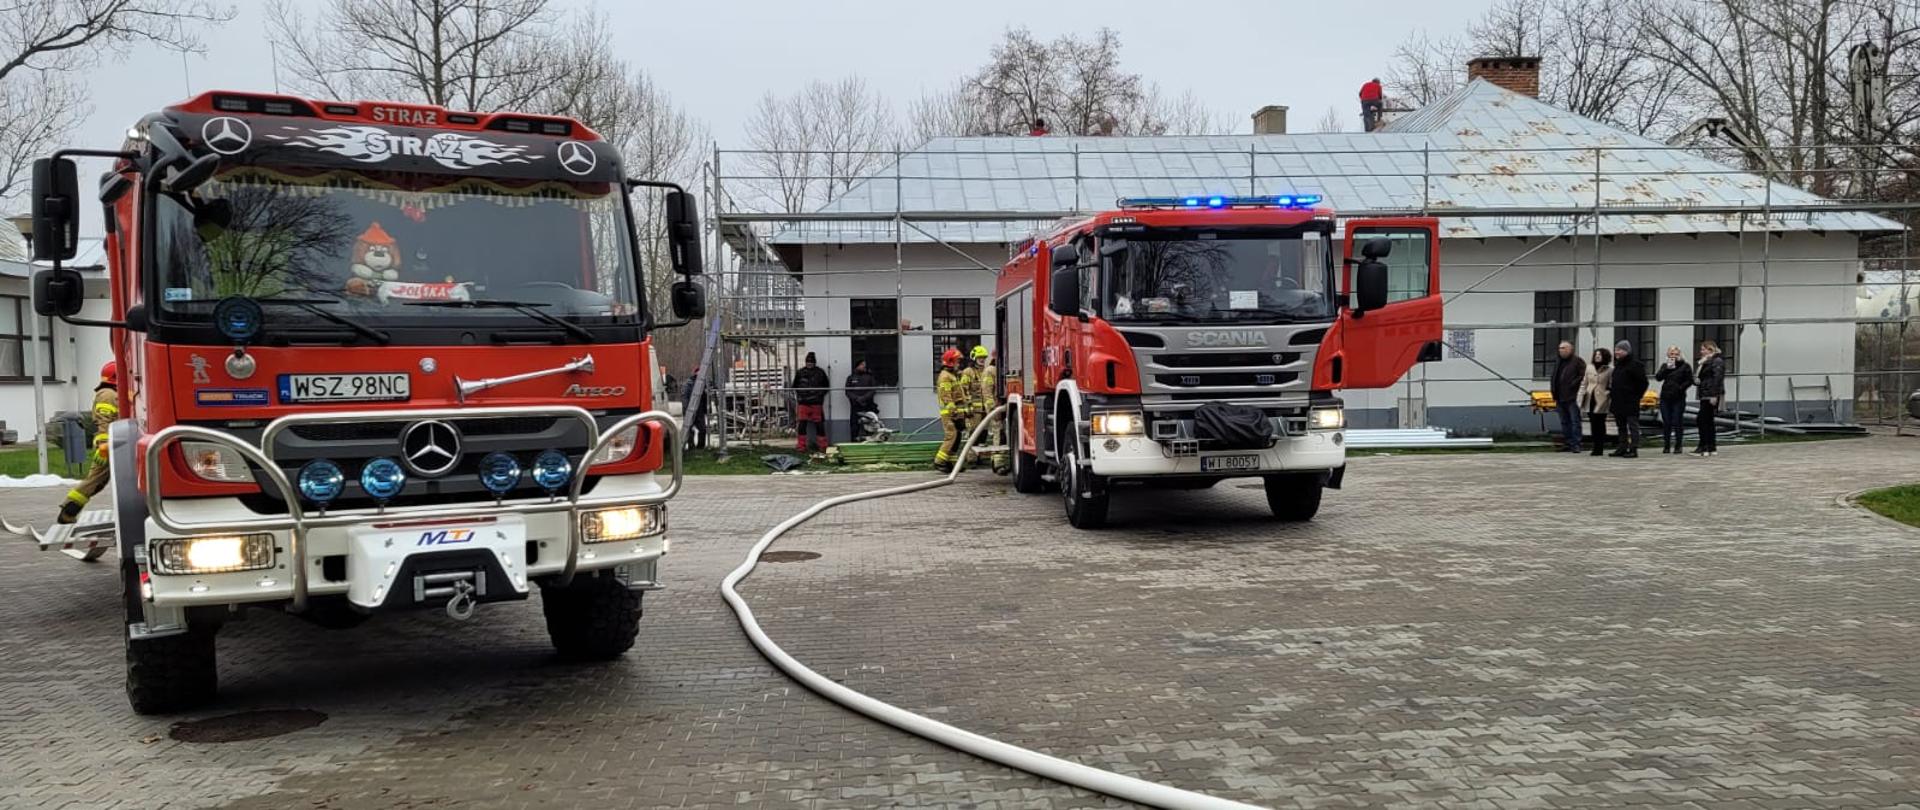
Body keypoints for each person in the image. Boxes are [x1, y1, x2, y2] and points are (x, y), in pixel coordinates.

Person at [57, 361, 119, 525]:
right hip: (108, 446)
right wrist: (104, 446)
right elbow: (104, 421)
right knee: (94, 481)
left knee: (97, 482)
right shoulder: (108, 394)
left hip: (112, 444)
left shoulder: (110, 393)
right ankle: (67, 512)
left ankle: (68, 512)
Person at [968, 345, 1008, 474]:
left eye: (983, 358)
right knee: (998, 435)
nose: (981, 360)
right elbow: (987, 392)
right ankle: (998, 463)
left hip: (1003, 408)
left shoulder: (998, 369)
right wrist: (992, 410)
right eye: (979, 358)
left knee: (1001, 435)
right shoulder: (990, 371)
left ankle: (999, 461)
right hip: (995, 409)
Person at [1608, 340, 1650, 458]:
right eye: (1616, 349)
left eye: (1619, 350)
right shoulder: (1618, 365)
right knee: (1620, 426)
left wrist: (1636, 395)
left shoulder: (1635, 364)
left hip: (1630, 401)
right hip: (1618, 400)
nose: (1617, 352)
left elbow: (1643, 383)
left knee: (1632, 425)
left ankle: (1633, 448)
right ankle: (1622, 447)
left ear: (1626, 351)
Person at [1653, 345, 1694, 454]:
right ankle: (1666, 445)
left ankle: (1678, 445)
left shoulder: (1685, 366)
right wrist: (1666, 368)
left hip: (1678, 397)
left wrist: (1681, 388)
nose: (1674, 356)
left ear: (1680, 355)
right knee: (1666, 421)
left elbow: (1690, 380)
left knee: (1677, 420)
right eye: (1672, 354)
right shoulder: (1665, 366)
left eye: (1676, 354)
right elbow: (1658, 377)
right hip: (1665, 397)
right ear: (1668, 355)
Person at [933, 348, 968, 472]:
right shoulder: (945, 377)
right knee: (951, 435)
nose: (959, 364)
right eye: (957, 361)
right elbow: (947, 396)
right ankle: (939, 461)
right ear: (951, 362)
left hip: (955, 413)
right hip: (949, 413)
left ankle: (952, 463)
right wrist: (954, 414)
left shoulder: (953, 375)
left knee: (957, 436)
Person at [1550, 340, 1586, 453]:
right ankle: (1568, 442)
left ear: (1571, 349)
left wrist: (1573, 384)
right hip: (1560, 396)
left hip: (1572, 397)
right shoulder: (1558, 361)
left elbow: (1583, 376)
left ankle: (1576, 444)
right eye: (1560, 348)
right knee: (1564, 421)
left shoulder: (1577, 361)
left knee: (1575, 421)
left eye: (1564, 348)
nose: (1561, 350)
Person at [791, 352, 830, 455]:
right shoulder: (800, 372)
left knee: (819, 425)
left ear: (814, 362)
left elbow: (826, 387)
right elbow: (794, 386)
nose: (809, 364)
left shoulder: (820, 372)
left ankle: (823, 446)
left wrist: (819, 396)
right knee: (802, 425)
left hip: (816, 403)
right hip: (803, 403)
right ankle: (801, 446)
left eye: (811, 362)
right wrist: (800, 396)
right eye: (808, 362)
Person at [1693, 340, 1727, 457]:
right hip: (1705, 393)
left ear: (1710, 349)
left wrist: (1714, 395)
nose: (1701, 352)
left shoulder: (1716, 361)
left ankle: (1705, 446)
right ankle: (1710, 446)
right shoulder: (1705, 362)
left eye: (1703, 349)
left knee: (1703, 419)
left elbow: (1717, 378)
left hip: (1710, 394)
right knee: (1707, 420)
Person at [1579, 348, 1612, 457]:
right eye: (1596, 354)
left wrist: (1607, 394)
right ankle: (1595, 446)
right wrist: (1581, 396)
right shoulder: (1589, 368)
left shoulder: (1609, 369)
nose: (1597, 356)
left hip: (1602, 399)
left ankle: (1600, 447)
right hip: (1590, 397)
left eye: (1600, 355)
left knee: (1600, 423)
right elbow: (1584, 383)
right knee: (1593, 423)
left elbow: (1611, 384)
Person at [845, 359, 878, 442]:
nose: (864, 366)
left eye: (864, 364)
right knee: (854, 425)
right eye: (862, 364)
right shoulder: (851, 377)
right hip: (855, 405)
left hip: (868, 404)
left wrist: (864, 398)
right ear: (857, 366)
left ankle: (870, 442)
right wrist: (856, 398)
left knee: (869, 424)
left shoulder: (870, 377)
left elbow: (873, 390)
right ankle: (854, 441)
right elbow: (847, 391)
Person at [681, 365, 708, 451]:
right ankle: (691, 447)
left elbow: (704, 399)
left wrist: (705, 410)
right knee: (690, 429)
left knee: (702, 429)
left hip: (699, 410)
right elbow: (685, 397)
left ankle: (700, 447)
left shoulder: (703, 385)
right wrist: (686, 410)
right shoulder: (688, 384)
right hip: (690, 410)